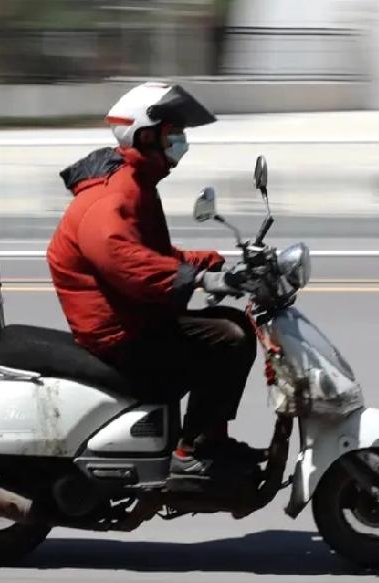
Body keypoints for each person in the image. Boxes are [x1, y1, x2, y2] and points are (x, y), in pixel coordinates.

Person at [47, 82, 263, 487]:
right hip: (120, 334)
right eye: (172, 131)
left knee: (232, 324)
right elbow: (124, 261)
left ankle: (209, 438)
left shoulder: (135, 183)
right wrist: (196, 277)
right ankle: (192, 453)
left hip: (136, 318)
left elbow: (151, 254)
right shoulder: (113, 197)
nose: (180, 140)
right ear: (145, 135)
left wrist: (210, 263)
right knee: (230, 337)